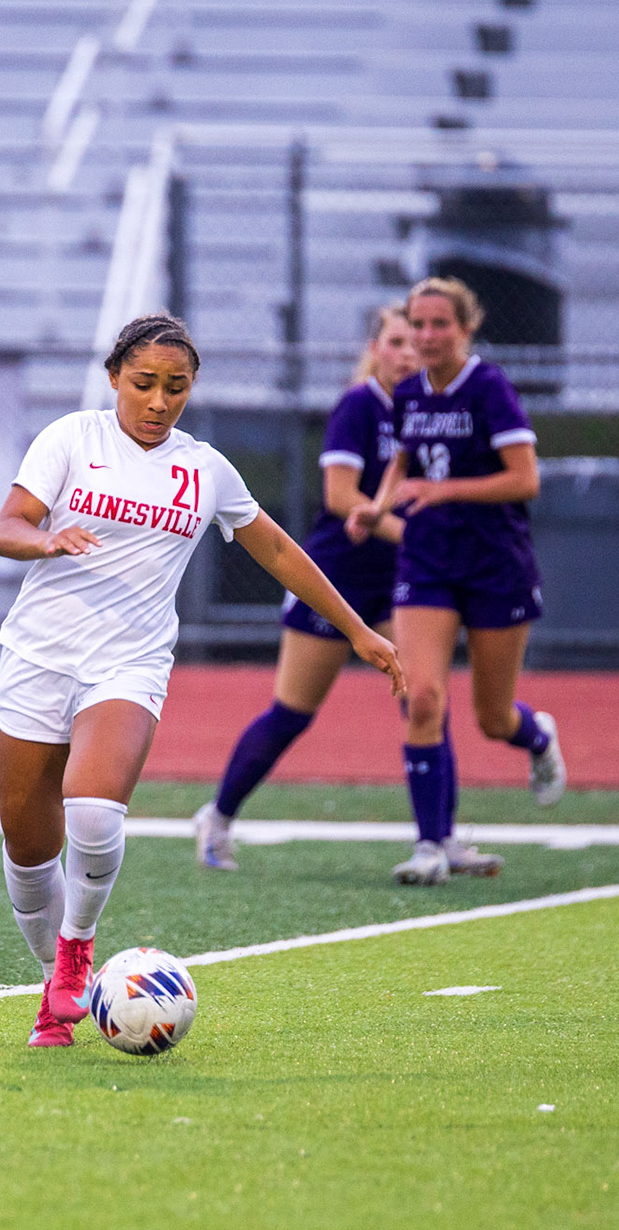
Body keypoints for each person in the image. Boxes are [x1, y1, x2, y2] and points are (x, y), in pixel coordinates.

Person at [0, 312, 404, 1048]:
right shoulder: (71, 439)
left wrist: (356, 629)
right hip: (38, 657)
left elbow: (278, 550)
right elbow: (5, 528)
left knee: (94, 813)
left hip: (130, 662)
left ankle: (76, 952)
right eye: (143, 383)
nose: (158, 401)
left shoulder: (205, 469)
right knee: (27, 850)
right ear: (114, 377)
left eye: (175, 387)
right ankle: (52, 987)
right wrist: (45, 540)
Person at [348, 276, 566, 886]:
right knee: (421, 698)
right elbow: (403, 460)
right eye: (418, 325)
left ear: (466, 328)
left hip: (495, 562)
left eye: (440, 324)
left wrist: (443, 491)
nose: (426, 336)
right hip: (428, 560)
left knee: (493, 718)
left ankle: (538, 737)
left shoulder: (489, 387)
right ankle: (428, 846)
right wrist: (377, 507)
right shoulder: (410, 393)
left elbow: (525, 479)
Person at [194, 305, 426, 871]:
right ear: (374, 348)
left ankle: (436, 841)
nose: (408, 353)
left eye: (416, 343)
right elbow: (340, 497)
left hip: (395, 581)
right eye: (396, 341)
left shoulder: (429, 411)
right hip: (334, 579)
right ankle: (217, 817)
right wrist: (420, 536)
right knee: (293, 712)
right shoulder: (358, 405)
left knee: (423, 702)